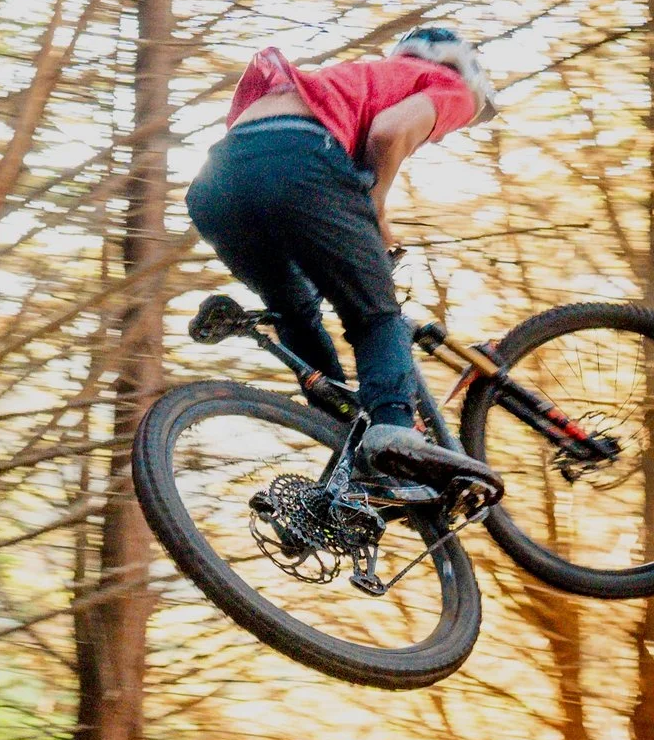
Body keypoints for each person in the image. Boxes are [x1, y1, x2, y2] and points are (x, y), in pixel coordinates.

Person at [187, 27, 499, 490]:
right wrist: (376, 204)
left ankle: (342, 428)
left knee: (297, 310)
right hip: (297, 159)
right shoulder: (454, 88)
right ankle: (393, 429)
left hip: (217, 185)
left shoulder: (358, 78)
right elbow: (390, 132)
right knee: (374, 314)